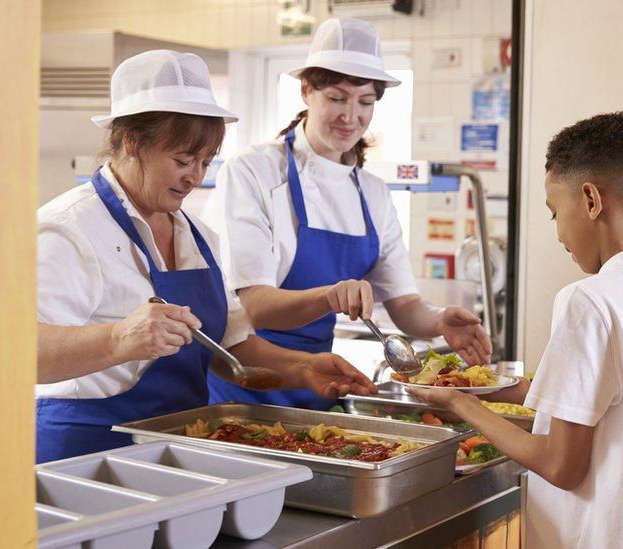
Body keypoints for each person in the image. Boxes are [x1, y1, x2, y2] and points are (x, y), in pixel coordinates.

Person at [36, 50, 375, 463]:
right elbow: (19, 354)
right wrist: (119, 338)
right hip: (85, 456)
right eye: (182, 160)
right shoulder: (70, 228)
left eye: (205, 162)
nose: (195, 177)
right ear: (130, 142)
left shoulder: (197, 236)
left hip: (177, 453)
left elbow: (229, 348)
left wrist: (303, 368)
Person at [410, 113, 623, 548]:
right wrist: (488, 390)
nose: (559, 232)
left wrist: (463, 405)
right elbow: (606, 404)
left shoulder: (588, 300)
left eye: (555, 212)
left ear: (591, 200)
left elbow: (562, 465)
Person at [202, 18, 491, 409]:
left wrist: (440, 321)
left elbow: (405, 306)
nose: (350, 116)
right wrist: (331, 296)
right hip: (250, 386)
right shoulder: (253, 171)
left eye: (365, 102)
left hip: (321, 384)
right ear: (306, 90)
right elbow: (257, 306)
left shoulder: (372, 193)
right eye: (337, 98)